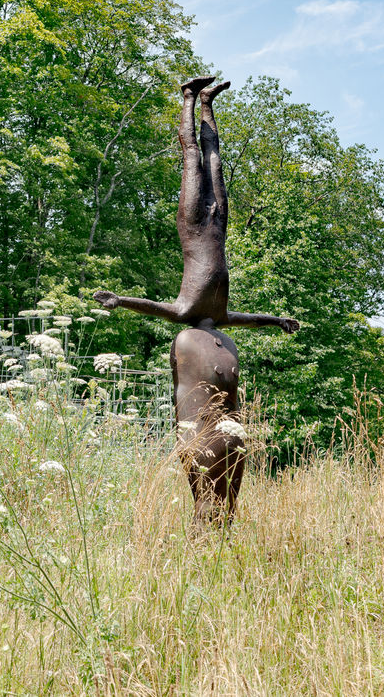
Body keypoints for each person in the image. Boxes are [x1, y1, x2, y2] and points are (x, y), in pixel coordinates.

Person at [94, 76, 299, 523]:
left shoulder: (215, 317)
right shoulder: (188, 313)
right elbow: (156, 307)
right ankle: (187, 97)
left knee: (216, 164)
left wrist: (277, 321)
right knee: (194, 161)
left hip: (216, 225)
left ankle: (207, 104)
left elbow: (248, 319)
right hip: (196, 225)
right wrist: (119, 300)